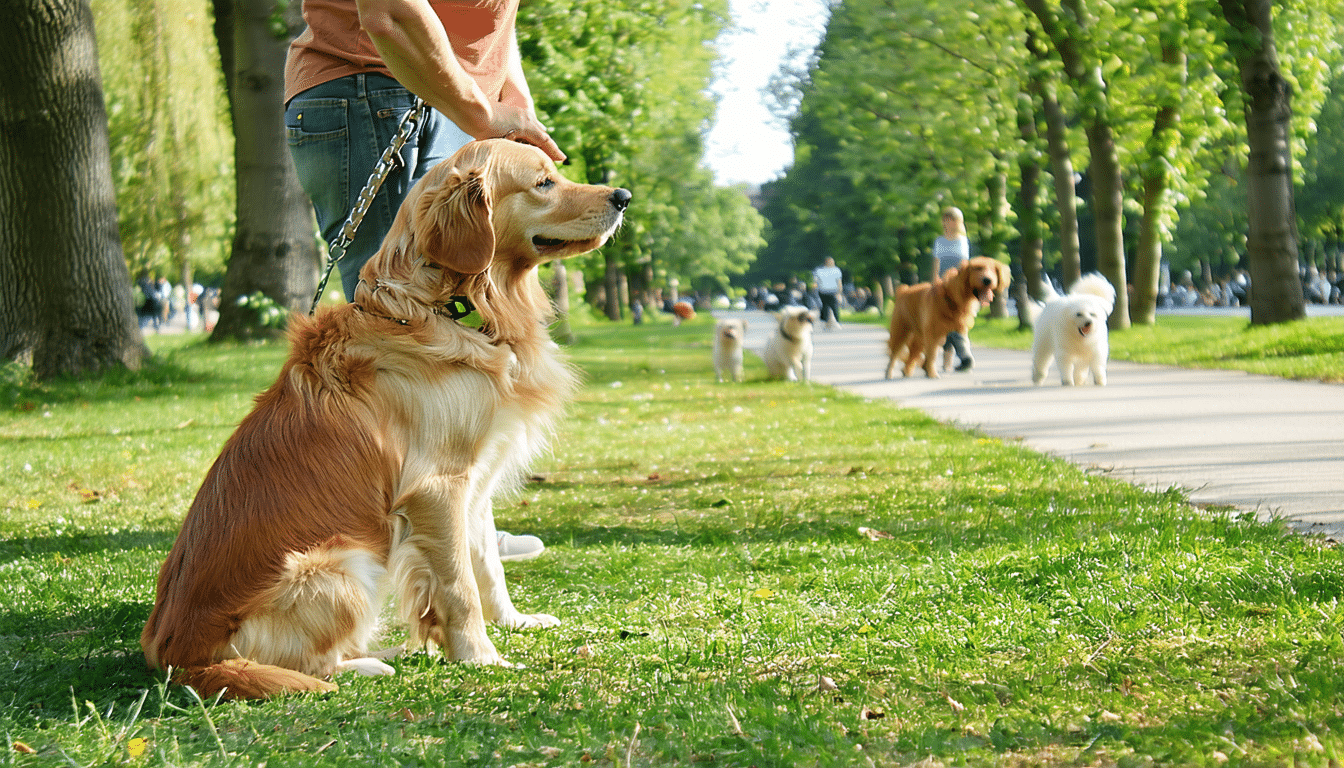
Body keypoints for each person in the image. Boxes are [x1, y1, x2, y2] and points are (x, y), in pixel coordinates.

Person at [283, 0, 557, 562]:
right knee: (402, 338)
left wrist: (512, 98)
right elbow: (388, 12)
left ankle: (458, 526)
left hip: (443, 98)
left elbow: (490, 25)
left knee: (451, 327)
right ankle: (430, 530)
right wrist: (482, 112)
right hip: (371, 89)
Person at [932, 206, 973, 372]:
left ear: (957, 221)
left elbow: (963, 264)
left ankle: (962, 356)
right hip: (942, 284)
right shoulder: (939, 241)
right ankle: (950, 362)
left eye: (950, 219)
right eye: (945, 219)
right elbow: (936, 262)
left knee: (955, 321)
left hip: (956, 285)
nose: (947, 222)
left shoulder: (962, 241)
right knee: (943, 320)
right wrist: (935, 279)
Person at [813, 256, 843, 330]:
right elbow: (815, 282)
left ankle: (834, 322)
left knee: (832, 307)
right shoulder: (819, 270)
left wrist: (839, 291)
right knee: (826, 307)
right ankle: (826, 322)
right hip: (823, 291)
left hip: (832, 291)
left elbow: (839, 282)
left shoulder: (836, 270)